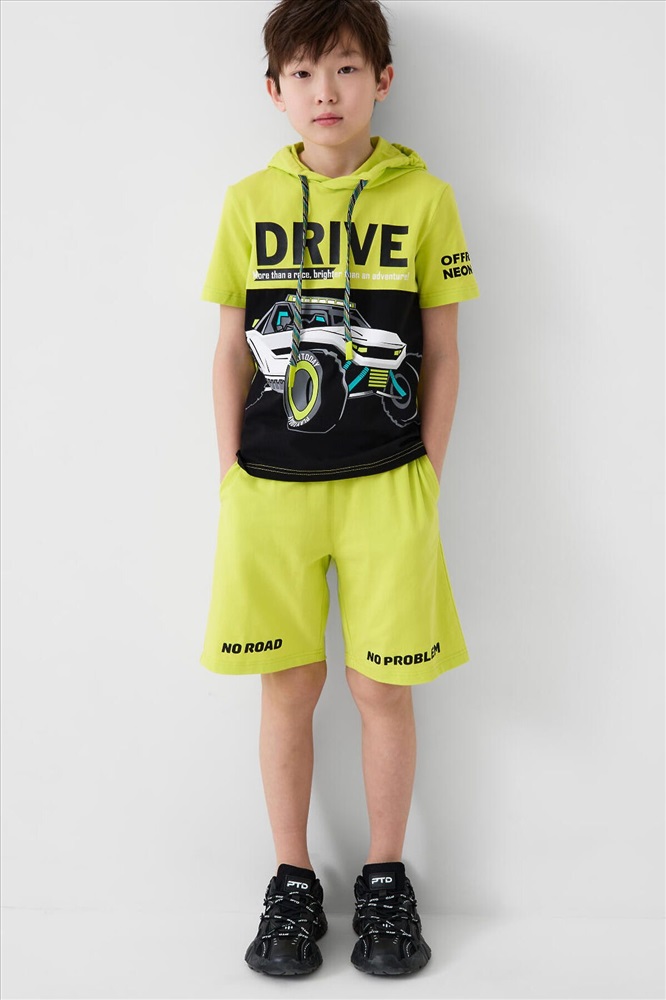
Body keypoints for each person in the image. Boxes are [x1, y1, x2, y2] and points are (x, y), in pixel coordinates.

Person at [199, 0, 479, 977]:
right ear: (275, 91)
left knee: (381, 685)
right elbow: (230, 346)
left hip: (388, 486)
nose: (328, 91)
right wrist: (230, 470)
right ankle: (290, 877)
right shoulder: (248, 203)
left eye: (349, 68)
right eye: (306, 73)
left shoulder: (426, 199)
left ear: (382, 81)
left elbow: (442, 348)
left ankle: (386, 877)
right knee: (289, 684)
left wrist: (427, 469)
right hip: (270, 487)